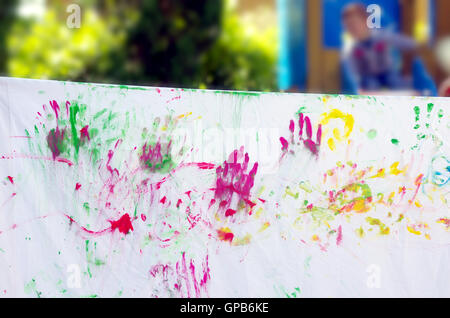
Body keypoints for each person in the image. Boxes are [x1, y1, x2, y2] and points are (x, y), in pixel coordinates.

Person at [341, 3, 418, 92]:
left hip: (388, 73)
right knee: (371, 85)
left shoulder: (381, 36)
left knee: (397, 83)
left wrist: (417, 46)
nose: (353, 29)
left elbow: (406, 43)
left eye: (355, 24)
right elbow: (353, 71)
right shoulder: (353, 49)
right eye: (348, 26)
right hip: (369, 77)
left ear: (366, 21)